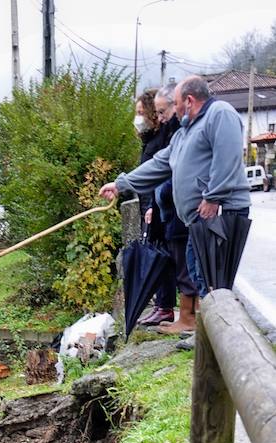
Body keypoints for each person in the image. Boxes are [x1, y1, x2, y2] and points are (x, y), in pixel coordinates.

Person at [99, 76, 251, 332]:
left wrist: (213, 196)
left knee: (215, 280)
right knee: (201, 275)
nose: (172, 111)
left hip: (222, 211)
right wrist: (121, 184)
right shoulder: (185, 132)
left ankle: (221, 335)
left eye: (176, 104)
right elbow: (160, 164)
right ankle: (207, 334)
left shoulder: (219, 114)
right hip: (199, 216)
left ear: (189, 101)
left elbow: (228, 158)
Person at [147, 83, 199, 331]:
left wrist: (163, 195)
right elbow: (158, 165)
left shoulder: (185, 129)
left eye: (163, 110)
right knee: (184, 262)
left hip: (183, 210)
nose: (161, 116)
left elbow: (170, 171)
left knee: (187, 266)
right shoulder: (176, 132)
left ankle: (189, 318)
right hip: (172, 208)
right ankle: (189, 317)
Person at [133, 87, 176, 326]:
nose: (138, 118)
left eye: (141, 112)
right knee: (157, 252)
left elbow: (157, 173)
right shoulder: (150, 139)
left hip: (157, 204)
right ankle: (161, 305)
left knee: (162, 255)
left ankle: (165, 306)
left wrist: (151, 205)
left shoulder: (163, 139)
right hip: (150, 204)